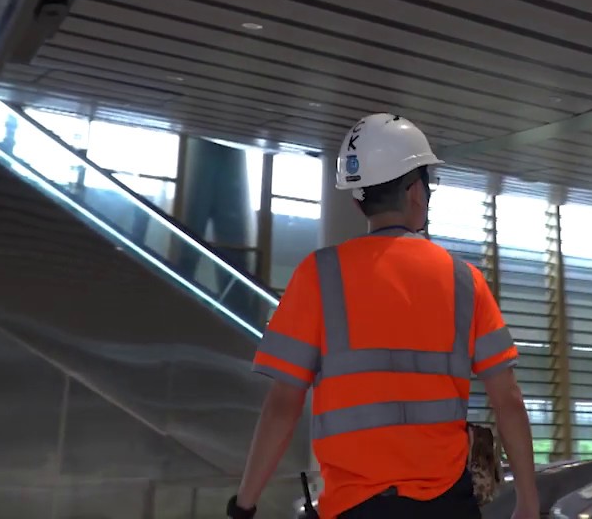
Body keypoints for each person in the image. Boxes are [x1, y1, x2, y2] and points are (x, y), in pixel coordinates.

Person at [228, 113, 540, 519]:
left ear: (357, 198)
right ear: (414, 190)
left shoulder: (318, 275)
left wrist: (245, 504)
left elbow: (283, 405)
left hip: (353, 507)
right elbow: (508, 400)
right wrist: (529, 503)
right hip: (447, 506)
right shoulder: (464, 280)